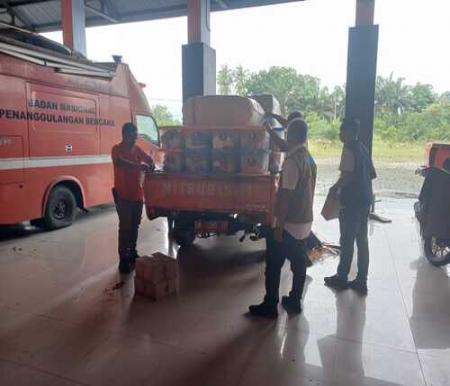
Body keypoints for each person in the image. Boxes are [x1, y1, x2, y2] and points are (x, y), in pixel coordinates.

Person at [249, 118, 317, 318]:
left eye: (288, 133)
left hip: (290, 223)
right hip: (305, 221)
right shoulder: (308, 158)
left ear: (293, 135)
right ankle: (295, 300)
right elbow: (286, 147)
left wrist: (278, 224)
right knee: (299, 262)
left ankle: (270, 305)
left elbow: (286, 196)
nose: (286, 137)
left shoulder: (291, 163)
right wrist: (270, 131)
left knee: (273, 264)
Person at [324, 118, 377, 295]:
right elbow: (372, 174)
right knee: (362, 241)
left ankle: (341, 277)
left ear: (348, 132)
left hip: (352, 202)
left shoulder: (348, 149)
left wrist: (335, 188)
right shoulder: (362, 148)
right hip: (365, 200)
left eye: (341, 131)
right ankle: (361, 280)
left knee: (346, 240)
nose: (339, 134)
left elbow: (346, 176)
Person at [111, 122, 154, 274]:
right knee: (125, 228)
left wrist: (150, 161)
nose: (135, 139)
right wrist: (140, 166)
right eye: (133, 136)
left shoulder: (137, 149)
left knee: (135, 226)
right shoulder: (117, 149)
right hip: (123, 195)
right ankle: (123, 260)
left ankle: (132, 252)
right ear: (125, 135)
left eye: (136, 136)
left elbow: (146, 158)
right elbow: (120, 162)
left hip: (137, 194)